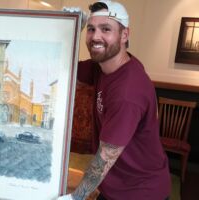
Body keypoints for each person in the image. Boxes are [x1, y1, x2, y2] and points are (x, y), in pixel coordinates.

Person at [59, 1, 171, 199]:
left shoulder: (128, 92)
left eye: (106, 29)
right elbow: (65, 65)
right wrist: (72, 28)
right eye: (91, 29)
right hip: (114, 186)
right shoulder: (104, 66)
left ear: (124, 34)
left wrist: (75, 197)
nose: (95, 36)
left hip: (140, 193)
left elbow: (104, 159)